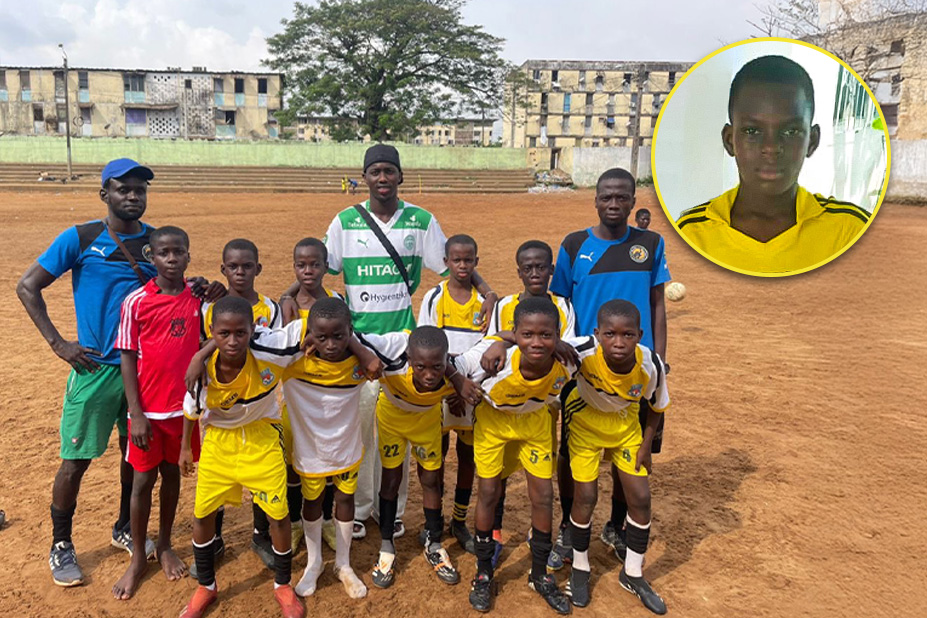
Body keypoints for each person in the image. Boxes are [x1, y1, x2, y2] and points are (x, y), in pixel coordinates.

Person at [16, 158, 221, 587]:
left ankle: (125, 528)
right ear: (104, 194)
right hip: (93, 369)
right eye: (123, 189)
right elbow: (27, 285)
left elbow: (174, 288)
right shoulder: (82, 237)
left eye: (139, 190)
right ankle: (61, 542)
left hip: (144, 378)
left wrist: (202, 286)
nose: (133, 196)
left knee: (137, 460)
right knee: (75, 461)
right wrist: (60, 344)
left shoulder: (157, 244)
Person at [286, 144, 498, 541]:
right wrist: (287, 294)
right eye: (375, 171)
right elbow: (315, 265)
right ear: (364, 177)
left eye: (389, 171)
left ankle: (393, 512)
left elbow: (455, 262)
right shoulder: (345, 222)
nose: (382, 178)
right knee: (361, 432)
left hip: (403, 345)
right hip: (357, 344)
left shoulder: (420, 221)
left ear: (400, 176)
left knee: (393, 434)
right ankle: (363, 509)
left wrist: (487, 290)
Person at [550, 167, 671, 568]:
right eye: (607, 197)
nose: (614, 203)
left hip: (635, 366)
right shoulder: (573, 245)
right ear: (596, 199)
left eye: (622, 197)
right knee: (571, 455)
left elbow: (657, 304)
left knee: (631, 452)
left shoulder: (650, 244)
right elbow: (561, 306)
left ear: (634, 201)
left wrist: (661, 357)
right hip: (585, 370)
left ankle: (616, 527)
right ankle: (570, 529)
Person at [676, 54, 870, 274]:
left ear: (812, 141)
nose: (771, 147)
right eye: (752, 131)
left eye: (790, 131)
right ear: (730, 141)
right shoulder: (692, 232)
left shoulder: (850, 229)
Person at [177, 296, 303, 618]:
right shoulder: (201, 374)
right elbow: (190, 413)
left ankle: (283, 585)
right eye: (224, 334)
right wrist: (185, 448)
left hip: (262, 438)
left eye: (240, 333)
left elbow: (311, 328)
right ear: (213, 333)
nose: (232, 341)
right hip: (219, 443)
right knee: (203, 514)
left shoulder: (268, 352)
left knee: (279, 514)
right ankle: (206, 585)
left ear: (253, 331)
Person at [450, 297, 575, 615]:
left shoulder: (569, 358)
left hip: (534, 423)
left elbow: (604, 342)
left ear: (558, 335)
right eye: (527, 335)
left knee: (543, 495)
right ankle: (482, 571)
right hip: (493, 425)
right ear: (515, 333)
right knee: (489, 492)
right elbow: (447, 360)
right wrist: (458, 382)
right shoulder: (491, 358)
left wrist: (509, 337)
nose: (537, 342)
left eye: (546, 335)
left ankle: (538, 575)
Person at [110, 225, 202, 599]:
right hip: (147, 411)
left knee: (172, 476)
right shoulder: (136, 302)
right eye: (164, 253)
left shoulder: (197, 299)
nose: (171, 259)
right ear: (152, 257)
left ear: (188, 257)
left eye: (178, 252)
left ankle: (164, 545)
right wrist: (136, 413)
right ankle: (137, 557)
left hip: (183, 412)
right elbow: (127, 356)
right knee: (142, 482)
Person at [563, 300, 669, 613]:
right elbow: (546, 344)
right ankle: (580, 567)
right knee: (586, 497)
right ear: (597, 334)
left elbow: (657, 407)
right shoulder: (582, 351)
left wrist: (646, 445)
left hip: (626, 426)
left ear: (640, 334)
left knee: (640, 497)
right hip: (584, 422)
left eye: (627, 335)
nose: (618, 342)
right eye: (610, 334)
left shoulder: (650, 363)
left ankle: (632, 573)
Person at [199, 238, 288, 573]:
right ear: (223, 269)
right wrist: (201, 353)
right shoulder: (210, 307)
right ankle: (217, 538)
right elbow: (208, 342)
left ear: (258, 269)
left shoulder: (270, 309)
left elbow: (272, 350)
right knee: (217, 480)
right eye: (233, 267)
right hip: (220, 409)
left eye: (247, 266)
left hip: (259, 407)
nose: (240, 272)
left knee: (262, 482)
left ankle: (259, 534)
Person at [486, 240, 575, 561]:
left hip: (544, 404)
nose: (535, 273)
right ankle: (494, 534)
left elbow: (566, 349)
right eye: (528, 268)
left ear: (551, 270)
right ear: (519, 272)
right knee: (498, 473)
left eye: (541, 267)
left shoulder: (563, 306)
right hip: (505, 404)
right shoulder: (504, 305)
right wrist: (506, 339)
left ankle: (541, 538)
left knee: (540, 474)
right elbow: (493, 349)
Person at [371, 326, 475, 589]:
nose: (429, 375)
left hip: (427, 421)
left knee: (430, 479)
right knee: (391, 480)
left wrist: (455, 379)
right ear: (408, 358)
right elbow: (355, 338)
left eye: (437, 367)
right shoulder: (392, 364)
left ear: (447, 360)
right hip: (392, 420)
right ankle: (386, 547)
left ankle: (434, 542)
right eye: (420, 367)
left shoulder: (455, 375)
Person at [418, 234, 484, 555]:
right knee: (437, 457)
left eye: (468, 259)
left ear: (476, 262)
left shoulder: (485, 304)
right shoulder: (434, 298)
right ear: (445, 263)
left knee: (468, 457)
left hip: (472, 391)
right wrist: (451, 383)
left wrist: (466, 384)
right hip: (441, 391)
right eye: (456, 260)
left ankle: (459, 520)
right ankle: (434, 520)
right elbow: (426, 346)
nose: (462, 265)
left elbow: (489, 347)